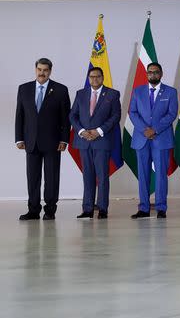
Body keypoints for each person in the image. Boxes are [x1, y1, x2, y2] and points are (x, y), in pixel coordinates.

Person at [15, 58, 71, 221]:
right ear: (35, 69)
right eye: (39, 69)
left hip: (53, 142)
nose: (42, 73)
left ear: (50, 71)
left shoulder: (60, 90)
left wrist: (64, 139)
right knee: (32, 177)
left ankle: (50, 210)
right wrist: (19, 138)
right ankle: (33, 210)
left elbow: (65, 119)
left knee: (52, 177)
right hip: (30, 141)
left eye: (45, 70)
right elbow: (20, 115)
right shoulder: (24, 89)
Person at [128, 62, 178, 219]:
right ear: (147, 74)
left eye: (156, 72)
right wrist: (145, 130)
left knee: (161, 174)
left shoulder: (170, 92)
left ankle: (161, 207)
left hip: (161, 138)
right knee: (143, 174)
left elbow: (171, 114)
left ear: (161, 74)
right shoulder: (137, 91)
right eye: (150, 72)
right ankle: (143, 208)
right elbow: (133, 112)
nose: (153, 74)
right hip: (141, 138)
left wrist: (154, 130)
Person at [70, 67, 121, 219]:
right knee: (87, 176)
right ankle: (87, 209)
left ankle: (103, 209)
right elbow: (73, 115)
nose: (95, 79)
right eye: (92, 77)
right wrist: (81, 131)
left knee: (102, 176)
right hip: (84, 141)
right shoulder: (81, 94)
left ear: (103, 77)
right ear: (88, 78)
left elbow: (115, 116)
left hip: (102, 141)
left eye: (98, 76)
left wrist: (98, 131)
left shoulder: (112, 94)